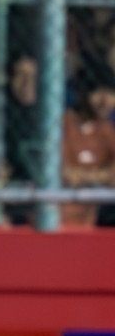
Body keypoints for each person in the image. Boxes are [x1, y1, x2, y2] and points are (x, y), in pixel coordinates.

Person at [59, 60, 115, 230]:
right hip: (65, 205)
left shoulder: (107, 129)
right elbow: (65, 174)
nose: (104, 100)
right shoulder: (64, 123)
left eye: (110, 92)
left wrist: (85, 177)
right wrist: (100, 176)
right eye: (96, 92)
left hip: (101, 206)